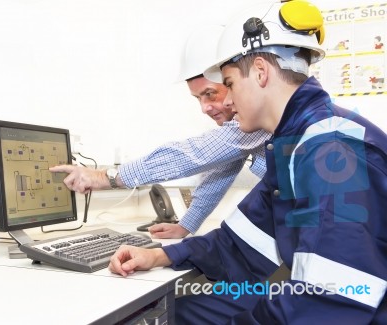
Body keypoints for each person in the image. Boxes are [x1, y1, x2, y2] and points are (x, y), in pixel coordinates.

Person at [108, 1, 387, 324]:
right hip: (319, 302)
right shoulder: (295, 146)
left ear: (260, 72)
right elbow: (238, 243)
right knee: (177, 313)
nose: (225, 101)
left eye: (229, 84)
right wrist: (160, 254)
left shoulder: (333, 153)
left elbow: (331, 301)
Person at [50, 25, 270, 239]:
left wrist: (104, 177)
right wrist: (186, 225)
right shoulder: (247, 129)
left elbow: (194, 154)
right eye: (198, 99)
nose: (204, 108)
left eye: (211, 94)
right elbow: (221, 169)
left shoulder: (262, 112)